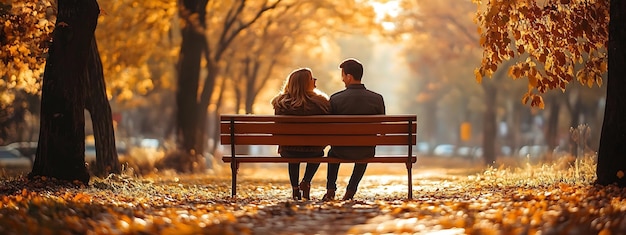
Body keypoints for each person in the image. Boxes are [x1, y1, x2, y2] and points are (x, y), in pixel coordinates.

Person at [323, 58, 385, 201]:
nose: (342, 79)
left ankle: (330, 190)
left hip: (340, 150)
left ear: (349, 77)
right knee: (364, 152)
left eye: (343, 76)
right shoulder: (377, 98)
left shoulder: (336, 99)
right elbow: (382, 128)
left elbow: (329, 129)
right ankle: (351, 190)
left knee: (332, 153)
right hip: (365, 150)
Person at [271, 68, 331, 200]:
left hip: (288, 150)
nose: (315, 80)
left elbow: (278, 129)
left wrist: (282, 144)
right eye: (311, 78)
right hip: (314, 150)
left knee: (293, 153)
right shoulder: (321, 104)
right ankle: (306, 181)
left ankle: (295, 188)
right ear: (304, 83)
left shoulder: (281, 104)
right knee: (319, 152)